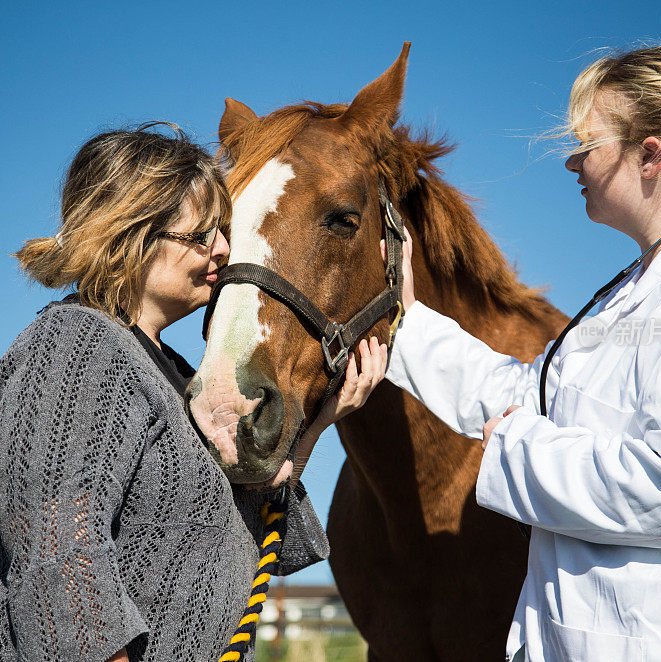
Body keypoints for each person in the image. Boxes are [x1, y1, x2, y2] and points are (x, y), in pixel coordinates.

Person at [361, 46, 661, 661]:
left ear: (650, 156)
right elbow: (527, 396)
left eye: (588, 144)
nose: (572, 161)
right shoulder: (635, 294)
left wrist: (516, 451)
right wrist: (407, 325)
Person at [0, 123, 381, 662]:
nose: (225, 250)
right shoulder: (77, 343)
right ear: (130, 234)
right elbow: (58, 551)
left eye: (222, 231)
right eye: (203, 235)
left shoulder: (176, 377)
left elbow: (247, 527)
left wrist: (321, 422)